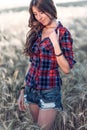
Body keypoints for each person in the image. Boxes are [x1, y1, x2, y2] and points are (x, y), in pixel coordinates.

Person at [17, 0, 76, 130]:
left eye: (41, 12)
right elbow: (31, 64)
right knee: (35, 127)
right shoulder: (37, 30)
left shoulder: (62, 33)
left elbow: (66, 69)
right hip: (31, 88)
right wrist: (23, 89)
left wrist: (55, 44)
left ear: (50, 8)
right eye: (35, 14)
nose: (39, 17)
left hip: (49, 90)